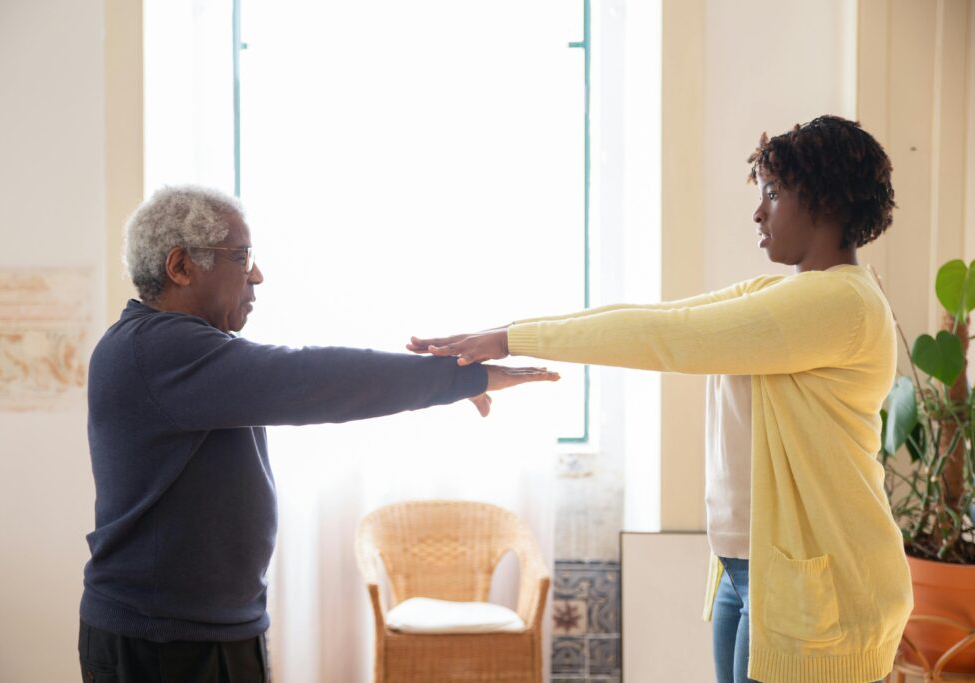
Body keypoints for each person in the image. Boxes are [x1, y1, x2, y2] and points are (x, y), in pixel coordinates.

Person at [408, 115, 912, 683]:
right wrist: (507, 331)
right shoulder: (781, 295)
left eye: (774, 192)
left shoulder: (837, 304)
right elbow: (663, 318)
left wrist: (507, 338)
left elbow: (668, 340)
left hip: (823, 584)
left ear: (827, 200)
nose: (758, 211)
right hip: (751, 569)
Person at [78, 185, 558, 683]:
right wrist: (463, 375)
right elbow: (316, 380)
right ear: (179, 267)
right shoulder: (160, 350)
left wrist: (454, 382)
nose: (257, 275)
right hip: (162, 642)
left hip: (202, 631)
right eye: (241, 258)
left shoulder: (176, 352)